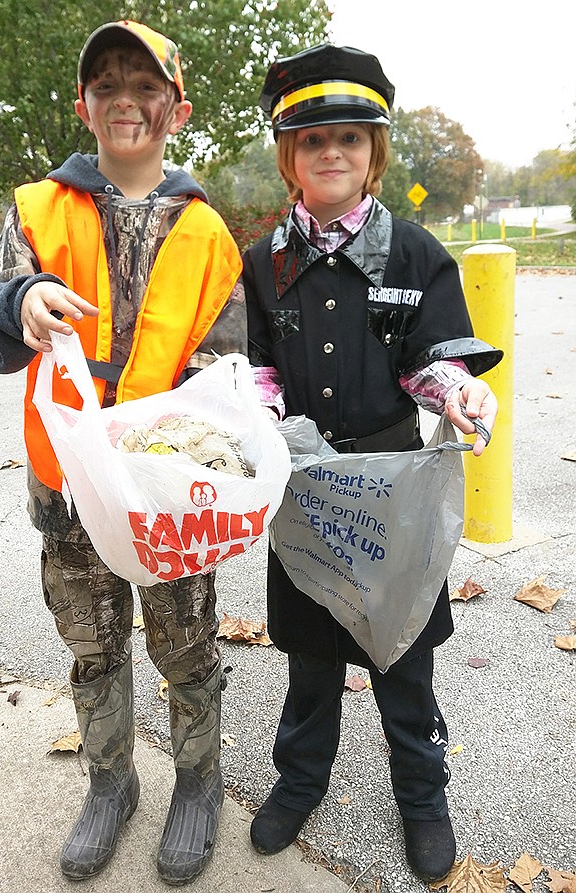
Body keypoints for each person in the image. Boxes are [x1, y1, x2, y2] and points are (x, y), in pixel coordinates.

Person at [0, 20, 246, 885]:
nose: (126, 98)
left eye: (145, 85)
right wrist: (22, 300)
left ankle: (199, 781)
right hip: (68, 490)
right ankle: (110, 782)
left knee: (186, 645)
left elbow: (225, 368)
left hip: (168, 502)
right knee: (93, 644)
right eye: (107, 83)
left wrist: (201, 426)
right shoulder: (37, 211)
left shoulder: (207, 233)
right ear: (84, 104)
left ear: (176, 108)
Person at [242, 43, 501, 882]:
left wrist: (455, 394)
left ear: (374, 151)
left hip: (392, 498)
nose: (332, 153)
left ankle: (423, 795)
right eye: (313, 139)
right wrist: (256, 413)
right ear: (290, 154)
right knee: (310, 658)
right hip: (305, 494)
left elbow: (431, 361)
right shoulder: (263, 263)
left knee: (404, 661)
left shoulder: (417, 253)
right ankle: (299, 780)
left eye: (350, 137)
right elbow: (260, 369)